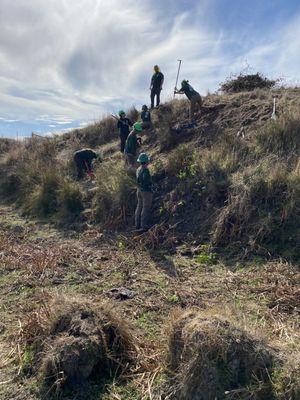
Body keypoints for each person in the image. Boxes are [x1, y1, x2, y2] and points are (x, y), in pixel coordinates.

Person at [135, 153, 153, 231]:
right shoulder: (146, 171)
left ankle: (137, 224)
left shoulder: (138, 169)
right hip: (145, 191)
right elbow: (147, 182)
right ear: (146, 161)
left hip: (139, 190)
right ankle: (143, 226)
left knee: (139, 206)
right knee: (145, 208)